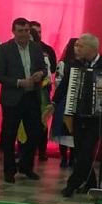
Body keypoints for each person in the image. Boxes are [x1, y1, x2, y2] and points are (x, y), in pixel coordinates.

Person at [48, 34, 102, 197]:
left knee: (86, 150)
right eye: (76, 45)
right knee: (79, 150)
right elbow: (64, 86)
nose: (76, 49)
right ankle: (90, 183)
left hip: (98, 116)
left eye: (80, 46)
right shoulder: (74, 65)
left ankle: (72, 184)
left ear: (92, 49)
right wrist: (53, 103)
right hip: (78, 114)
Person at [0, 18, 47, 184]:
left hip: (32, 97)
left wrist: (41, 74)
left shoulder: (36, 47)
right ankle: (9, 170)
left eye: (26, 31)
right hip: (12, 99)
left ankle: (26, 165)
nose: (24, 34)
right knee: (9, 136)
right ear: (13, 31)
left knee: (35, 133)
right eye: (20, 31)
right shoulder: (5, 49)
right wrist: (18, 82)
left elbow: (44, 68)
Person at [28, 21, 57, 161]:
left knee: (42, 120)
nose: (36, 34)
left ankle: (42, 150)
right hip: (26, 88)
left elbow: (52, 70)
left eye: (39, 32)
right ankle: (26, 149)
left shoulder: (47, 50)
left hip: (43, 90)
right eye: (34, 31)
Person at [51, 38, 77, 167]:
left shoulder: (83, 63)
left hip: (76, 100)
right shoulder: (63, 63)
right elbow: (58, 81)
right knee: (63, 128)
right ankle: (63, 157)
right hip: (64, 99)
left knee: (74, 129)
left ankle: (73, 157)